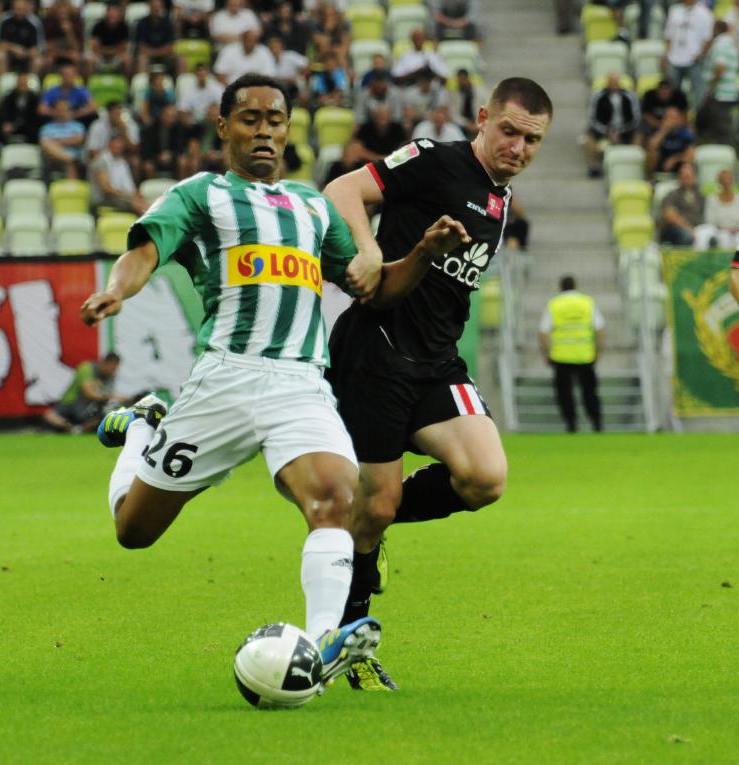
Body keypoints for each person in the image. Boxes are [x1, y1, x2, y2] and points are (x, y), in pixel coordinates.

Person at [78, 73, 470, 689]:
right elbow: (144, 252)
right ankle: (142, 429)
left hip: (299, 382)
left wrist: (421, 252)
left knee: (335, 499)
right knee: (134, 530)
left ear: (289, 130)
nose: (264, 131)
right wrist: (116, 290)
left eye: (276, 120)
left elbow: (374, 289)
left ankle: (321, 646)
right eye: (250, 119)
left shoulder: (314, 208)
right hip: (225, 380)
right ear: (223, 127)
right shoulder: (202, 194)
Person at [322, 77, 552, 690]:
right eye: (509, 131)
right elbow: (342, 189)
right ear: (483, 118)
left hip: (437, 361)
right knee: (375, 506)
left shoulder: (500, 199)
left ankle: (371, 522)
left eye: (531, 140)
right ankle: (352, 645)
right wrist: (368, 249)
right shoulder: (433, 159)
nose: (518, 148)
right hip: (377, 350)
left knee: (485, 478)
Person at [538, 276, 605, 434]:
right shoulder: (587, 302)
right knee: (590, 391)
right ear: (576, 286)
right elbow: (600, 329)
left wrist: (546, 353)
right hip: (585, 355)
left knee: (564, 394)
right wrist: (597, 351)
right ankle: (596, 422)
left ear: (560, 287)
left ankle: (571, 424)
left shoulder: (554, 304)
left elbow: (543, 333)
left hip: (561, 356)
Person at [43, 352, 129, 433]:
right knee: (49, 416)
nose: (113, 371)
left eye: (115, 369)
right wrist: (113, 397)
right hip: (71, 404)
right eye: (112, 368)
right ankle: (71, 427)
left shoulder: (111, 375)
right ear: (104, 363)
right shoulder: (87, 368)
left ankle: (77, 429)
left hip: (88, 410)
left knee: (110, 411)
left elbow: (108, 394)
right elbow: (89, 393)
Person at [585, 72, 640, 178]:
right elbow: (593, 118)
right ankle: (593, 167)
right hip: (605, 129)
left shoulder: (629, 96)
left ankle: (634, 165)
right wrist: (608, 131)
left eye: (616, 82)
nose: (614, 85)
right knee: (589, 136)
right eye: (612, 82)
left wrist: (620, 131)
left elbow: (636, 118)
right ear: (607, 82)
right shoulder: (598, 96)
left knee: (639, 134)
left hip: (625, 129)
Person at [663, 0, 713, 108]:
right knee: (673, 92)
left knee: (698, 91)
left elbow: (708, 39)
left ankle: (699, 116)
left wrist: (701, 55)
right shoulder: (674, 10)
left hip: (695, 59)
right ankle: (674, 115)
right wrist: (668, 53)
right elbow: (668, 35)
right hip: (674, 58)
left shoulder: (705, 13)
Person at [697, 19, 738, 146]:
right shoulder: (730, 44)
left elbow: (720, 67)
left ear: (716, 29)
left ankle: (727, 150)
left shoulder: (720, 45)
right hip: (729, 90)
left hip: (721, 93)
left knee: (722, 126)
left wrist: (711, 87)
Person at [89, 134, 149, 214]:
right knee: (137, 205)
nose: (118, 147)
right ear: (110, 144)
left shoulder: (122, 162)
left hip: (118, 197)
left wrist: (135, 194)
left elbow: (128, 186)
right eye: (116, 144)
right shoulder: (101, 161)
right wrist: (127, 195)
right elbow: (106, 188)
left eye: (120, 145)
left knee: (144, 202)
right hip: (103, 199)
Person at [658, 161, 708, 247]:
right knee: (686, 235)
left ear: (695, 177)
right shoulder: (672, 194)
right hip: (676, 229)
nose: (686, 179)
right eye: (683, 176)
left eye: (688, 176)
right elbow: (670, 215)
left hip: (698, 229)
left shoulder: (701, 196)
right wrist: (689, 229)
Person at [0, 0, 44, 77]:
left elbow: (39, 48)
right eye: (17, 6)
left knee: (38, 61)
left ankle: (32, 82)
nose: (19, 8)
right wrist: (14, 48)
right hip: (9, 53)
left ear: (27, 6)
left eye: (21, 6)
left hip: (27, 54)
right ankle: (3, 81)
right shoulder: (4, 19)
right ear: (12, 5)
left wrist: (25, 53)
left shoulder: (35, 22)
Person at [704, 169, 739, 249]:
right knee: (724, 237)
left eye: (728, 179)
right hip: (719, 232)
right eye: (723, 180)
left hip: (737, 232)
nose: (726, 182)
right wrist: (725, 229)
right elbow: (710, 220)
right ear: (719, 182)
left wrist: (736, 230)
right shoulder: (712, 199)